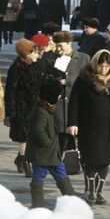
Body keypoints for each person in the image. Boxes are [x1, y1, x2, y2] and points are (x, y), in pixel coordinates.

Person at [66, 48, 110, 205]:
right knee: (90, 158)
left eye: (107, 66)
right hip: (88, 126)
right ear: (95, 64)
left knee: (105, 159)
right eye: (101, 65)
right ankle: (90, 191)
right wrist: (72, 123)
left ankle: (99, 191)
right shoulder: (84, 79)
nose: (104, 69)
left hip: (109, 128)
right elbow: (74, 102)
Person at [26, 78, 79, 208]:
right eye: (58, 94)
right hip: (42, 152)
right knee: (39, 175)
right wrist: (47, 142)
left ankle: (70, 196)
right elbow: (37, 130)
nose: (60, 96)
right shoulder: (41, 111)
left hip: (50, 152)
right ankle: (37, 202)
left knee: (60, 171)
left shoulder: (45, 108)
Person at [5, 38, 46, 174]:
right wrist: (10, 113)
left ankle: (21, 159)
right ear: (26, 54)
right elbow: (10, 91)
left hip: (37, 106)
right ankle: (26, 162)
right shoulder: (16, 68)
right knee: (24, 136)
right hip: (21, 108)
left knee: (33, 136)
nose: (36, 55)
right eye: (33, 52)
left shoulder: (38, 64)